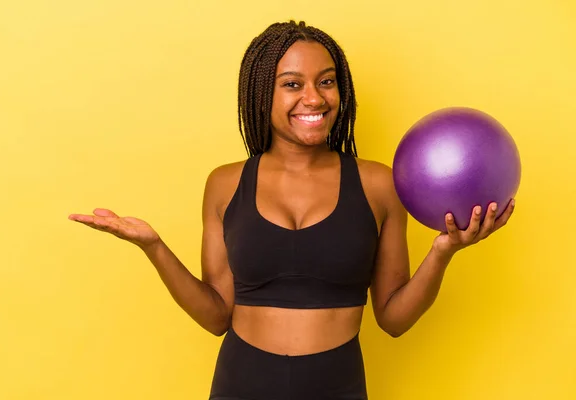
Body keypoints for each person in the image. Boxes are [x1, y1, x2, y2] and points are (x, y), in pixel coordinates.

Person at [68, 20, 515, 400]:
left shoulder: (379, 183)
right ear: (263, 92)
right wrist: (154, 246)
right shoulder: (225, 184)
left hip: (336, 384)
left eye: (326, 80)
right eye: (292, 84)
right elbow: (215, 317)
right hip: (241, 381)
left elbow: (394, 319)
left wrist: (442, 252)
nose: (314, 99)